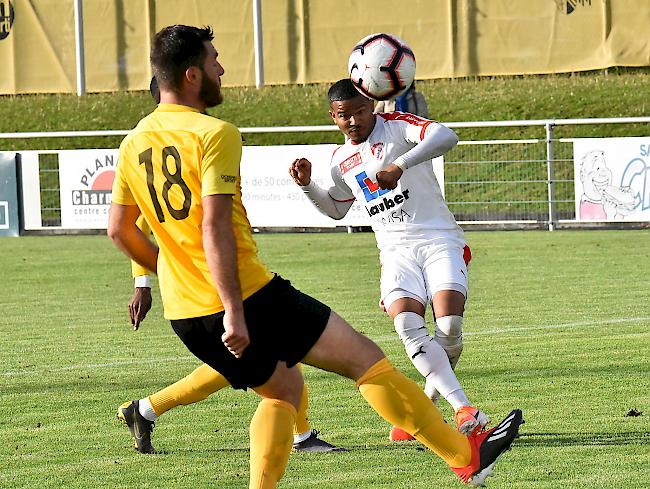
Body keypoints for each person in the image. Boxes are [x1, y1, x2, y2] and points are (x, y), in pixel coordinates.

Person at [108, 25, 523, 488]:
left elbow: (119, 230)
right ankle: (466, 456)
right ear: (191, 75)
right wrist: (233, 308)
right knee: (365, 360)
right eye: (213, 61)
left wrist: (172, 273)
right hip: (247, 294)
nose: (221, 69)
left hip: (184, 312)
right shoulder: (214, 133)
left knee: (282, 390)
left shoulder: (131, 143)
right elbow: (215, 226)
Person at [116, 97, 343, 455]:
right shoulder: (163, 154)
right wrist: (144, 281)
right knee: (258, 359)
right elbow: (132, 227)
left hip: (229, 283)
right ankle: (299, 437)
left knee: (253, 360)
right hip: (204, 293)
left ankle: (144, 410)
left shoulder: (200, 145)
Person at [289, 79, 488, 442]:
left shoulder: (397, 124)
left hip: (438, 238)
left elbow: (447, 136)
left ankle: (425, 409)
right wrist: (307, 185)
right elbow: (336, 209)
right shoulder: (339, 160)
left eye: (360, 111)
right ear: (333, 116)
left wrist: (400, 164)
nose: (353, 121)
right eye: (344, 116)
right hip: (394, 251)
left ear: (372, 105)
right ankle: (463, 408)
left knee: (449, 326)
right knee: (408, 324)